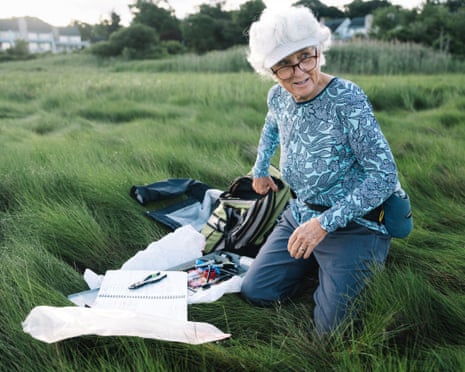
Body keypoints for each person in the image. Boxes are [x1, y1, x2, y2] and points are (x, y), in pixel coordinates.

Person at [240, 5, 400, 337]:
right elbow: (272, 127)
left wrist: (324, 225)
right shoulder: (278, 97)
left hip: (356, 223)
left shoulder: (347, 98)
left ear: (318, 51)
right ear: (271, 70)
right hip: (300, 213)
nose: (298, 73)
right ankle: (321, 263)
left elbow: (384, 174)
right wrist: (259, 169)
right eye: (284, 65)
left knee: (333, 333)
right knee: (257, 292)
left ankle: (351, 261)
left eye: (305, 57)